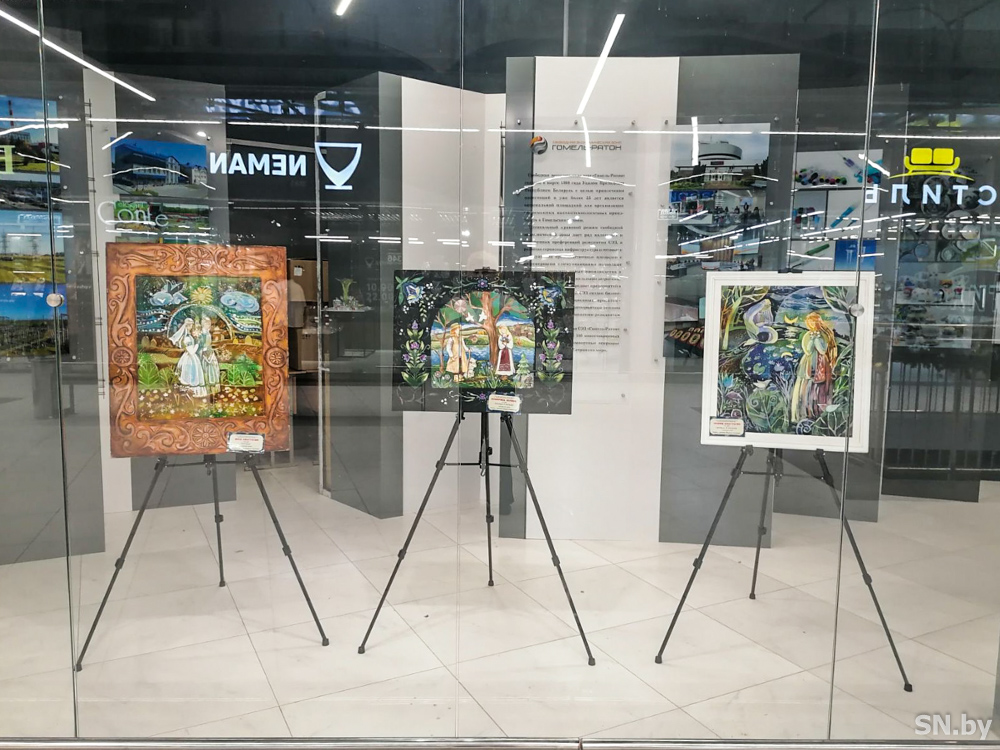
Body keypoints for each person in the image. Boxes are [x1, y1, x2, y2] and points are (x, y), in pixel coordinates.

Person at [791, 311, 838, 423]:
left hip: (822, 364)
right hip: (808, 363)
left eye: (814, 322)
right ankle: (805, 413)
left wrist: (817, 338)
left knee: (820, 388)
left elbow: (822, 350)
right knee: (807, 386)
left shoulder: (824, 335)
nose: (812, 324)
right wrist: (812, 339)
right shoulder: (808, 335)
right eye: (810, 322)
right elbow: (807, 350)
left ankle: (819, 413)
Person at [169, 317, 208, 397]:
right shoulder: (186, 338)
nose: (191, 327)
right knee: (189, 375)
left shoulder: (190, 336)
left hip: (192, 358)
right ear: (186, 326)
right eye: (190, 325)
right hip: (189, 358)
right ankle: (188, 392)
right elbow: (191, 352)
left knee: (193, 375)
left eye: (191, 325)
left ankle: (192, 393)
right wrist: (197, 343)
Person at [199, 315, 221, 395]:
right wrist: (204, 349)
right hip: (204, 354)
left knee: (213, 369)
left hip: (209, 352)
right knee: (206, 369)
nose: (209, 325)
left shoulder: (208, 333)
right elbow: (201, 344)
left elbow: (209, 344)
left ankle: (213, 389)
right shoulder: (201, 333)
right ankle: (207, 388)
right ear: (203, 324)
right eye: (207, 323)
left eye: (209, 324)